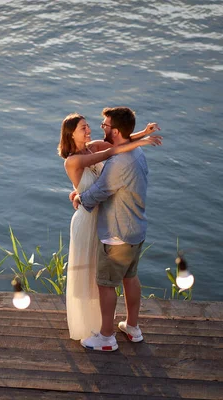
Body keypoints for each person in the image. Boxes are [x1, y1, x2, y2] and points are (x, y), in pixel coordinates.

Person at [58, 112, 161, 341]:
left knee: (105, 279)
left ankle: (104, 331)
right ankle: (93, 325)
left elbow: (119, 139)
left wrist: (142, 133)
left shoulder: (92, 147)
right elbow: (113, 150)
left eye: (88, 126)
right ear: (71, 134)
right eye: (83, 128)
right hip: (90, 220)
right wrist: (143, 141)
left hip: (105, 219)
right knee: (93, 277)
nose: (89, 130)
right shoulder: (73, 160)